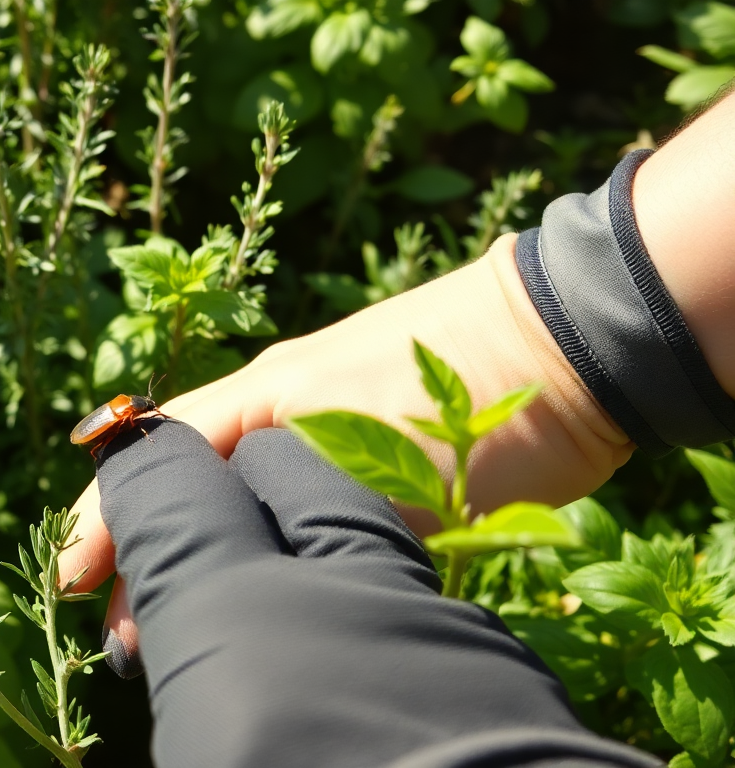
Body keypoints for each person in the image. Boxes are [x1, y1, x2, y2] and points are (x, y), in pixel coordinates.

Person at [63, 89, 735, 767]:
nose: (145, 412)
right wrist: (566, 321)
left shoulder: (136, 419)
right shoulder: (128, 420)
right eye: (141, 412)